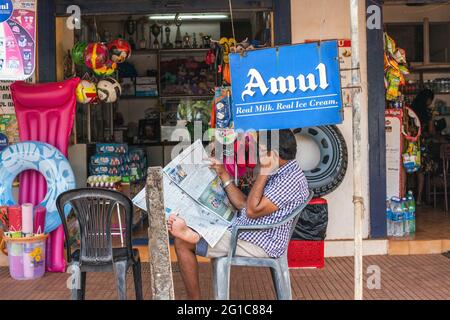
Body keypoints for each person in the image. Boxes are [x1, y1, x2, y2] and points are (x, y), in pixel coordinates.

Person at [168, 129, 310, 300]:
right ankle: (197, 234)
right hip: (249, 229)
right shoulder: (283, 171)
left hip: (260, 241)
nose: (257, 155)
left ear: (272, 154)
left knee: (182, 242)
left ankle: (194, 301)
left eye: (261, 150)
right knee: (194, 222)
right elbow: (244, 204)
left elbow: (251, 210)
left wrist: (264, 171)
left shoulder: (289, 180)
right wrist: (223, 174)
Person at [408, 89, 435, 204]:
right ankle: (418, 199)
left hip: (409, 143)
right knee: (420, 172)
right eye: (431, 100)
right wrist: (432, 118)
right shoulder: (427, 113)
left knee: (409, 170)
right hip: (421, 144)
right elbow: (431, 131)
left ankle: (408, 197)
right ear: (428, 99)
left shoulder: (410, 109)